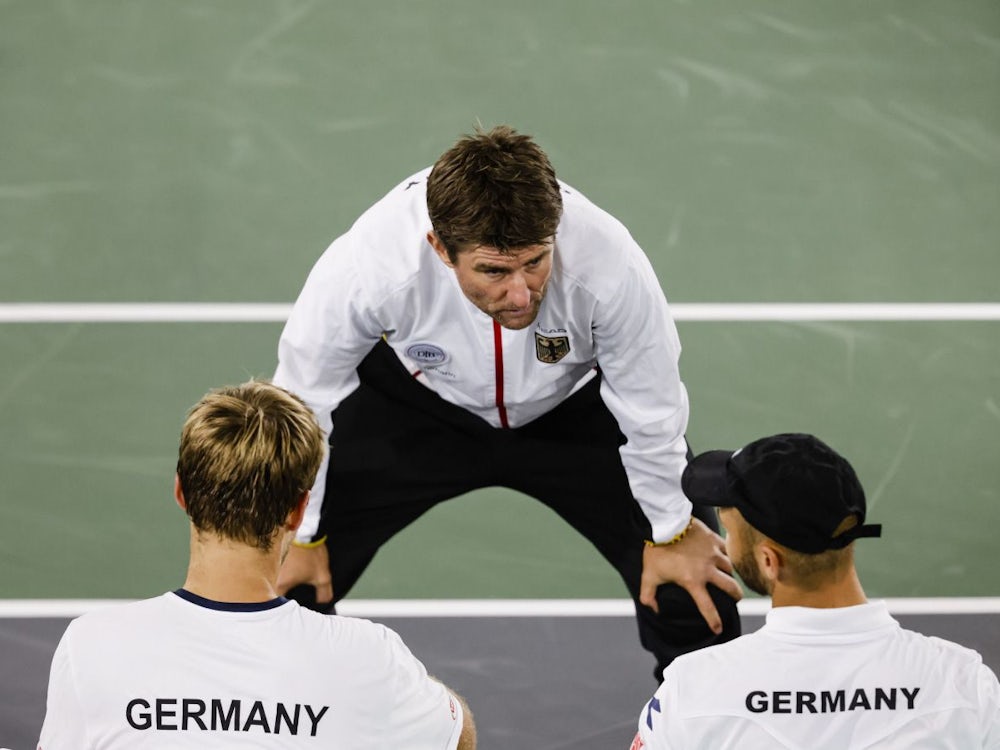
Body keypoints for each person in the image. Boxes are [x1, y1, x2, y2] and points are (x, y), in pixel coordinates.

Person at [272, 124, 742, 680]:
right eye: (494, 271)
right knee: (281, 582)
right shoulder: (371, 265)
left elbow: (651, 408)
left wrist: (670, 532)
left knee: (696, 593)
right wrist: (302, 535)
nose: (521, 294)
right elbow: (301, 402)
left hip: (576, 413)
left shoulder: (610, 264)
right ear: (441, 249)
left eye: (535, 262)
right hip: (413, 410)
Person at [38, 380, 476, 749]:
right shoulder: (369, 657)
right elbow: (458, 738)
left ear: (181, 493)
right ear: (298, 511)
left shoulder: (91, 645)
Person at [631, 432, 1000, 749]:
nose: (726, 544)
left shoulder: (690, 690)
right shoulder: (966, 684)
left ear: (769, 561)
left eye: (729, 532)